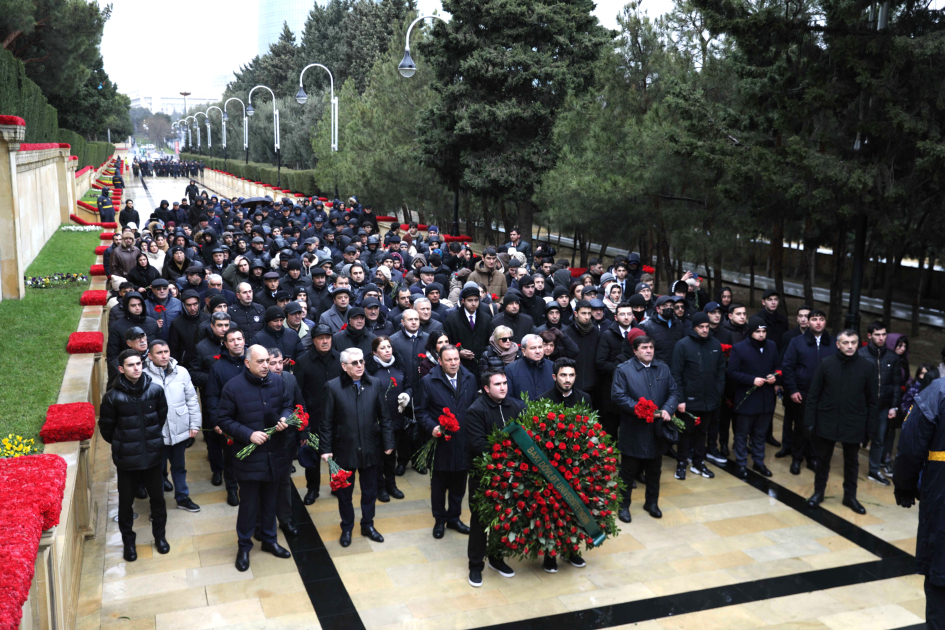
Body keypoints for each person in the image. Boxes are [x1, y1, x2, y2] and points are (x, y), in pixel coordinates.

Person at [217, 345, 294, 572]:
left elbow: (288, 405)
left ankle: (269, 540)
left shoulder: (278, 382)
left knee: (270, 502)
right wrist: (248, 434)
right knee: (248, 505)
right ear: (247, 363)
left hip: (274, 455)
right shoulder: (233, 387)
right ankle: (244, 546)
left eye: (267, 361)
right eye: (260, 361)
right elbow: (223, 419)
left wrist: (285, 418)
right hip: (250, 459)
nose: (266, 365)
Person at [99, 350, 170, 562]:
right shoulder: (112, 397)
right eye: (131, 365)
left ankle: (160, 537)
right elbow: (107, 430)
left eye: (138, 363)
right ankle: (128, 543)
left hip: (153, 458)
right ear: (121, 369)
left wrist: (149, 439)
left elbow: (160, 417)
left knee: (158, 501)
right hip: (127, 461)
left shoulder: (155, 390)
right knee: (125, 505)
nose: (136, 368)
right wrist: (124, 443)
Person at [321, 348, 394, 547]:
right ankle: (347, 527)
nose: (360, 365)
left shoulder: (374, 384)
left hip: (370, 447)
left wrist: (388, 442)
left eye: (362, 361)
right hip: (344, 449)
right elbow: (326, 421)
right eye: (354, 363)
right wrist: (325, 449)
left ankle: (368, 525)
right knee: (345, 494)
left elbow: (385, 416)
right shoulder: (332, 387)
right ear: (344, 366)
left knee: (370, 491)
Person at [465, 370, 528, 587]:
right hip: (483, 476)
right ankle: (475, 566)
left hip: (510, 474)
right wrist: (510, 449)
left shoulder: (516, 406)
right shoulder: (476, 411)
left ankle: (496, 558)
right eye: (497, 384)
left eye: (505, 383)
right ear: (486, 388)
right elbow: (479, 445)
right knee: (480, 520)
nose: (503, 387)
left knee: (504, 517)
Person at [805, 330, 877, 514]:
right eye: (845, 342)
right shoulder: (826, 363)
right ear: (838, 345)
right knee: (823, 460)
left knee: (852, 462)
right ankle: (818, 493)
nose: (850, 346)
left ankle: (850, 497)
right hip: (827, 420)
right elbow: (813, 395)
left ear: (858, 344)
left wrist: (870, 428)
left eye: (853, 342)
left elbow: (872, 401)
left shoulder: (867, 367)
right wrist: (810, 422)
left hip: (854, 421)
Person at [892, 376, 945, 627]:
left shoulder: (937, 393)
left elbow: (910, 448)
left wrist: (904, 484)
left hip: (941, 500)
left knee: (940, 578)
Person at [612, 335, 681, 523]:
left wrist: (667, 409)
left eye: (651, 347)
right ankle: (623, 506)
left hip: (656, 431)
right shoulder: (623, 370)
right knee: (628, 472)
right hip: (634, 430)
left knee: (654, 470)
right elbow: (618, 396)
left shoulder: (663, 368)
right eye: (644, 347)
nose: (649, 350)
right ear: (635, 351)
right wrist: (645, 410)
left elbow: (674, 392)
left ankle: (651, 503)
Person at [418, 345, 476, 538]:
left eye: (456, 359)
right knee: (439, 485)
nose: (453, 363)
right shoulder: (428, 381)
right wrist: (432, 427)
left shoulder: (469, 378)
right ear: (440, 362)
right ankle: (439, 520)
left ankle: (454, 518)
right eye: (449, 360)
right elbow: (421, 411)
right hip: (441, 442)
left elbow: (474, 406)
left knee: (459, 484)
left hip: (463, 440)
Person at [143, 340, 201, 512]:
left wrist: (195, 424)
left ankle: (182, 498)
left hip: (179, 431)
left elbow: (192, 399)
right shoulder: (144, 376)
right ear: (150, 356)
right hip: (157, 435)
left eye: (166, 351)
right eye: (159, 353)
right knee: (156, 472)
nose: (164, 356)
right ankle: (158, 506)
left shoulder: (181, 372)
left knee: (179, 468)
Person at [670, 312, 726, 480]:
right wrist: (680, 399)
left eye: (707, 327)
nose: (704, 330)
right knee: (685, 433)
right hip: (688, 400)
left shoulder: (715, 344)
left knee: (703, 432)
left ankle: (698, 463)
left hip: (709, 399)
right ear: (694, 327)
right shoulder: (682, 345)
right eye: (701, 327)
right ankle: (681, 463)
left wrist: (718, 392)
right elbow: (676, 374)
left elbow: (721, 371)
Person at [293, 324, 342, 504]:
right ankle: (312, 489)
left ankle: (337, 485)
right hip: (313, 419)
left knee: (337, 455)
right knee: (312, 457)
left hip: (338, 418)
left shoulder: (340, 359)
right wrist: (302, 424)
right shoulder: (303, 362)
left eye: (327, 337)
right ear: (313, 340)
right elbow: (298, 394)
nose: (325, 341)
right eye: (321, 338)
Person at [780, 309, 833, 475]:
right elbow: (788, 366)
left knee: (818, 428)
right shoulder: (797, 342)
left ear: (825, 322)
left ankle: (813, 458)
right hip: (802, 392)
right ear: (808, 322)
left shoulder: (833, 343)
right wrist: (792, 389)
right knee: (801, 427)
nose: (818, 322)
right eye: (814, 319)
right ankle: (796, 458)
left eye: (821, 319)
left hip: (824, 394)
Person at [727, 317, 781, 479]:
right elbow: (732, 372)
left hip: (765, 398)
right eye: (757, 331)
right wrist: (752, 380)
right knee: (742, 434)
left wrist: (775, 376)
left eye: (764, 331)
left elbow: (778, 367)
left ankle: (759, 462)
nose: (761, 334)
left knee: (760, 433)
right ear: (750, 332)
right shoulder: (739, 348)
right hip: (747, 398)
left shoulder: (771, 346)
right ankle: (741, 463)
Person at [205, 328, 246, 504]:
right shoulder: (218, 367)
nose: (236, 343)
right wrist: (216, 421)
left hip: (252, 418)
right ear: (226, 344)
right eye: (232, 340)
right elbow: (212, 396)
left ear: (244, 340)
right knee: (230, 458)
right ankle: (232, 490)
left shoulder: (253, 361)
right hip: (229, 421)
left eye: (239, 339)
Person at [859, 320, 901, 486]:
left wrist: (894, 406)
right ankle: (851, 467)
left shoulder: (893, 357)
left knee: (879, 439)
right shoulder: (860, 355)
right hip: (862, 405)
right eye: (877, 335)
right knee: (854, 437)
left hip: (883, 406)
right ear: (869, 336)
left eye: (884, 334)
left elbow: (896, 384)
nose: (881, 338)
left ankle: (874, 470)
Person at [366, 336, 408, 502]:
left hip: (396, 417)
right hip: (378, 420)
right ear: (375, 352)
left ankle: (391, 485)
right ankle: (380, 487)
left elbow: (409, 385)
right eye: (382, 348)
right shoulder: (370, 369)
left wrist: (407, 395)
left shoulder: (399, 364)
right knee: (379, 455)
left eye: (389, 347)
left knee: (391, 454)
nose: (387, 350)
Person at [443, 285, 493, 375]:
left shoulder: (486, 318)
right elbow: (447, 342)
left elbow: (490, 341)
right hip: (460, 366)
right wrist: (458, 352)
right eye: (470, 300)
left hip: (481, 365)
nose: (473, 304)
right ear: (463, 301)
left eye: (476, 300)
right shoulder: (451, 319)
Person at [505, 334, 553, 401]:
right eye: (533, 348)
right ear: (523, 351)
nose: (538, 351)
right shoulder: (511, 369)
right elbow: (508, 398)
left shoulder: (552, 367)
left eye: (540, 347)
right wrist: (527, 406)